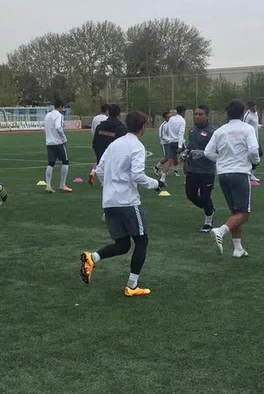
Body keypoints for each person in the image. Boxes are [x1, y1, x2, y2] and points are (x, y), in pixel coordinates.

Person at [79, 111, 159, 297]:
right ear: (143, 127)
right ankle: (132, 286)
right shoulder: (137, 146)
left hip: (109, 201)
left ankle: (93, 257)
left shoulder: (114, 144)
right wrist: (156, 184)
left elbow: (99, 170)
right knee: (141, 240)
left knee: (123, 244)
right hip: (128, 201)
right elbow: (137, 175)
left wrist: (110, 187)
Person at [204, 100, 260, 258]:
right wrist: (255, 161)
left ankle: (238, 248)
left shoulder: (220, 130)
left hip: (223, 174)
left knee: (235, 212)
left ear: (227, 114)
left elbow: (208, 152)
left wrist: (221, 161)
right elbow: (254, 150)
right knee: (244, 213)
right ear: (243, 114)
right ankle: (220, 231)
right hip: (240, 172)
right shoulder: (247, 129)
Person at [182, 104, 217, 233]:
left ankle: (208, 221)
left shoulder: (213, 132)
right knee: (190, 195)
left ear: (207, 116)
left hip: (207, 170)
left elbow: (217, 152)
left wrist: (202, 153)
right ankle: (210, 209)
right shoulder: (192, 130)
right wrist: (185, 153)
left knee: (205, 195)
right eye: (196, 114)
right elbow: (190, 146)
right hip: (193, 169)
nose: (197, 116)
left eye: (200, 114)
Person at [44, 98, 71, 193]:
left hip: (49, 143)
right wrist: (64, 138)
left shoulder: (47, 115)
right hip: (58, 143)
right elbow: (58, 127)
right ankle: (62, 185)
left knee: (50, 164)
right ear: (60, 106)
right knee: (65, 161)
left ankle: (48, 185)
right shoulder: (59, 115)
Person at [158, 105, 186, 188]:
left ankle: (162, 179)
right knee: (186, 160)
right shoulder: (182, 120)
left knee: (170, 160)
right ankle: (186, 180)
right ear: (183, 112)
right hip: (178, 142)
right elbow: (181, 133)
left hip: (171, 142)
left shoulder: (171, 119)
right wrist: (180, 146)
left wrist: (170, 138)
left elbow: (167, 129)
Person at [88, 104, 110, 184]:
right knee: (106, 160)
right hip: (104, 141)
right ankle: (103, 181)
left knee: (99, 159)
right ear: (107, 110)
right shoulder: (107, 119)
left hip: (96, 141)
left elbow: (93, 130)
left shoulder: (95, 118)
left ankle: (92, 172)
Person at [243, 101, 262, 181]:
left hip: (256, 138)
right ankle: (249, 173)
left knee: (259, 153)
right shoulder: (247, 116)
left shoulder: (256, 113)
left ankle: (251, 174)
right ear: (249, 108)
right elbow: (244, 127)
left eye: (255, 107)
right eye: (253, 107)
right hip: (250, 139)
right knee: (255, 154)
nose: (255, 109)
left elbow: (254, 125)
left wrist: (259, 126)